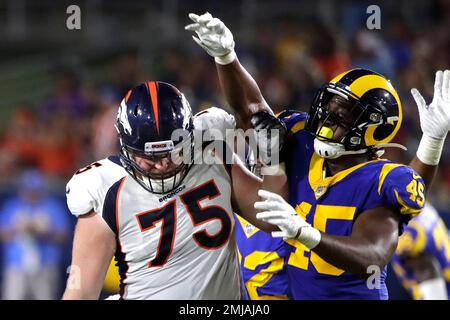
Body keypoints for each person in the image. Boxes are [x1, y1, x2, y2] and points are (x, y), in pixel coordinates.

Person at [186, 12, 450, 299]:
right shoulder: (300, 140)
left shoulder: (381, 180)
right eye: (328, 107)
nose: (326, 119)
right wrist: (227, 57)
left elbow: (373, 255)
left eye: (343, 115)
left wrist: (307, 234)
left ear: (372, 129)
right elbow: (251, 110)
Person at [62, 81, 279, 300]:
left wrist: (273, 159)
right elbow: (80, 291)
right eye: (151, 158)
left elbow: (271, 218)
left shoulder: (211, 149)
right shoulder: (106, 190)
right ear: (127, 149)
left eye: (173, 152)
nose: (163, 164)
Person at [0, 169, 69, 300]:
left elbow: (63, 236)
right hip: (17, 266)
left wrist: (43, 232)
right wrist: (19, 228)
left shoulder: (52, 206)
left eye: (35, 190)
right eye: (28, 190)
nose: (31, 194)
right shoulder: (12, 206)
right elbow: (3, 234)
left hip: (45, 264)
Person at [392, 203, 450, 300]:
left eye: (415, 257)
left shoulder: (435, 241)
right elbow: (410, 285)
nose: (413, 263)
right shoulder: (396, 253)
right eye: (408, 258)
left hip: (438, 235)